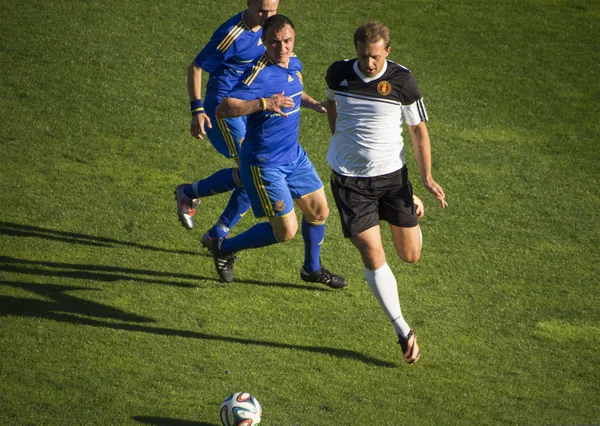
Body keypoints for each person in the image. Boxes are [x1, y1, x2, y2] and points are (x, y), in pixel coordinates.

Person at [324, 21, 448, 365]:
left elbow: (418, 130)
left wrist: (426, 178)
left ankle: (411, 205)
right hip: (349, 181)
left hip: (393, 180)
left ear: (387, 52)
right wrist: (340, 139)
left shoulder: (402, 81)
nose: (369, 64)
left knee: (409, 256)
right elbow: (332, 105)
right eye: (363, 56)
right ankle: (402, 330)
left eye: (375, 57)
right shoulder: (338, 74)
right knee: (371, 251)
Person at [212, 14, 347, 289]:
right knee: (286, 231)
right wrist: (263, 103)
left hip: (293, 156)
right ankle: (224, 247)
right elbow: (224, 108)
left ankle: (312, 269)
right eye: (274, 43)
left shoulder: (294, 62)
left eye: (286, 41)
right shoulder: (258, 74)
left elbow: (295, 91)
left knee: (320, 211)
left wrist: (314, 104)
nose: (281, 48)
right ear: (264, 43)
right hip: (264, 163)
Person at [174, 0, 280, 249]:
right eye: (262, 10)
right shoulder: (232, 34)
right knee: (252, 173)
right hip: (223, 108)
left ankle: (212, 225)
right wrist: (197, 110)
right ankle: (193, 199)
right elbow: (197, 67)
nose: (267, 15)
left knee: (255, 171)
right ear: (249, 3)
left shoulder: (271, 28)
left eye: (272, 10)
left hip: (250, 104)